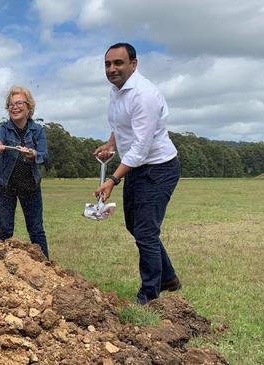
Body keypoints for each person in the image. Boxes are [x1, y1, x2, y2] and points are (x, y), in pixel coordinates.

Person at [94, 42, 181, 305]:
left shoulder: (144, 95)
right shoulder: (116, 91)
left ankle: (150, 296)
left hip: (158, 168)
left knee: (145, 231)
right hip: (137, 168)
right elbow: (122, 126)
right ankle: (168, 278)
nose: (112, 69)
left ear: (134, 64)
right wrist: (111, 144)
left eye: (118, 63)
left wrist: (112, 179)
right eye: (108, 64)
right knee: (136, 226)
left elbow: (141, 147)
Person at [0, 86, 49, 258]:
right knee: (5, 229)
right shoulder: (3, 128)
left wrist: (32, 154)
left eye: (19, 103)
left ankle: (46, 266)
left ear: (29, 107)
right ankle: (1, 269)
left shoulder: (38, 130)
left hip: (30, 185)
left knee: (36, 230)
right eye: (11, 104)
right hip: (5, 185)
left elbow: (45, 156)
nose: (14, 107)